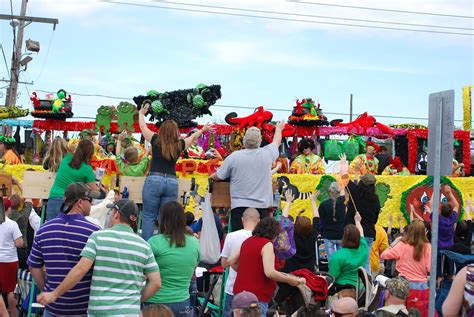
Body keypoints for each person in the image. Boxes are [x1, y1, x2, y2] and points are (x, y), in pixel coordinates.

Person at [37, 199, 162, 316]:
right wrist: (135, 300)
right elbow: (156, 283)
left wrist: (55, 294)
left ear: (116, 214)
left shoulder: (98, 237)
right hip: (130, 311)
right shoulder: (144, 246)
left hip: (101, 311)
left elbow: (81, 269)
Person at [139, 102, 212, 240]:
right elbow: (193, 137)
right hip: (172, 182)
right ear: (175, 132)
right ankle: (161, 249)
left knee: (149, 216)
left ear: (161, 131)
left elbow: (143, 127)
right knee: (165, 219)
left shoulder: (155, 140)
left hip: (154, 179)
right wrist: (203, 130)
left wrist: (141, 114)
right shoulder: (180, 145)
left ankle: (146, 249)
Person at [28, 182, 101, 316]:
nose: (92, 204)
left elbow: (34, 267)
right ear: (80, 202)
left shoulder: (43, 230)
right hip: (82, 309)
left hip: (52, 308)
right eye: (90, 200)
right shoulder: (94, 232)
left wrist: (47, 290)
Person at [210, 123, 284, 231]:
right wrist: (278, 129)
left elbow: (219, 176)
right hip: (261, 207)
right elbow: (276, 142)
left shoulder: (234, 157)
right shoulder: (267, 154)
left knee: (239, 241)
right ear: (259, 141)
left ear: (244, 140)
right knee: (259, 242)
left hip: (239, 207)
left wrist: (212, 176)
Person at [230, 217, 305, 316]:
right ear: (273, 234)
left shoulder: (248, 241)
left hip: (239, 294)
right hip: (257, 296)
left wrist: (246, 271)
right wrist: (289, 280)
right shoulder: (267, 244)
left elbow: (231, 261)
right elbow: (269, 272)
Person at [146, 201, 200, 317]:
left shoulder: (154, 242)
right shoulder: (194, 243)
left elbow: (144, 272)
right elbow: (193, 269)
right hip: (182, 303)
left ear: (163, 220)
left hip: (155, 303)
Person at [380, 220, 431, 317]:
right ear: (424, 231)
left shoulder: (402, 245)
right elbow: (430, 268)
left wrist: (394, 242)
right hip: (422, 287)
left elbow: (384, 255)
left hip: (404, 286)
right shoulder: (428, 247)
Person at [342, 154, 381, 275]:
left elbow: (344, 178)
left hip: (352, 232)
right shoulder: (376, 200)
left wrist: (344, 164)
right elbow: (375, 219)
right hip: (368, 232)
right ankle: (367, 287)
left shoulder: (355, 192)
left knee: (349, 260)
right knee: (366, 262)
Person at [46, 139, 103, 221]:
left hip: (53, 198)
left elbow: (68, 147)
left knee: (52, 230)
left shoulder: (66, 158)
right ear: (90, 155)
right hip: (70, 202)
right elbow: (94, 192)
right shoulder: (87, 169)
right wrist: (104, 191)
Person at [221, 208, 261, 317]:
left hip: (233, 287)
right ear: (258, 221)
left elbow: (224, 264)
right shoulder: (262, 240)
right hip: (255, 290)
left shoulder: (231, 236)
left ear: (242, 219)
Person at [328, 212, 368, 299]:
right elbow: (362, 234)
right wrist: (357, 221)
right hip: (359, 289)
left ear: (344, 238)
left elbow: (332, 277)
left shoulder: (337, 256)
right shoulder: (363, 249)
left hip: (340, 289)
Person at [281, 189, 320, 273]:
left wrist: (288, 202)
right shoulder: (313, 235)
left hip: (291, 271)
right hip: (308, 272)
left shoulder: (291, 235)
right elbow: (317, 219)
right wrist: (313, 202)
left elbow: (283, 221)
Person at [0, 198, 23, 317]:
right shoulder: (12, 224)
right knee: (10, 290)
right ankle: (13, 315)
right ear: (8, 209)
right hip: (9, 261)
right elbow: (20, 243)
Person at [9, 194, 40, 269]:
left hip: (9, 250)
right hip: (21, 250)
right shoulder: (23, 216)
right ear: (20, 204)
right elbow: (29, 204)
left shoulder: (5, 217)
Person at [318, 182, 346, 260]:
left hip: (328, 235)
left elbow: (321, 221)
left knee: (331, 261)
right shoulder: (343, 202)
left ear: (329, 191)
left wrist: (322, 232)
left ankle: (332, 272)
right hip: (341, 234)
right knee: (342, 260)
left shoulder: (323, 204)